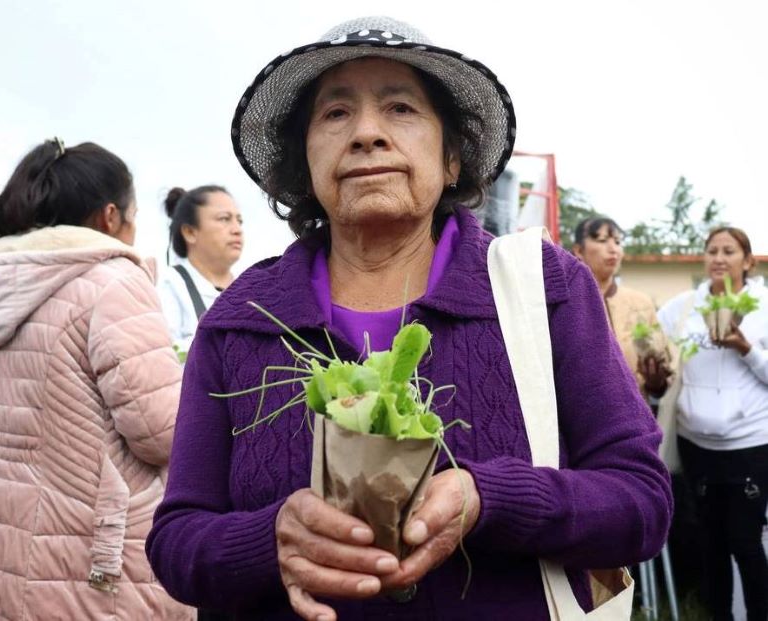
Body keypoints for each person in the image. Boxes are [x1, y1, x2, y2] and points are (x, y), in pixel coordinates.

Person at [146, 17, 672, 621]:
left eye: (400, 108)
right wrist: (272, 540)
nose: (367, 133)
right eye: (336, 114)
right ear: (306, 165)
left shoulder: (545, 290)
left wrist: (488, 498)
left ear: (451, 159)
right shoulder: (243, 319)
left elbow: (642, 503)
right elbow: (177, 541)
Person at [0, 139, 193, 620]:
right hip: (85, 564)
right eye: (135, 216)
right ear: (110, 216)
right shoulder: (113, 283)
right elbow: (161, 432)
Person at [657, 226, 768, 621]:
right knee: (711, 543)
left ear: (748, 261)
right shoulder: (683, 308)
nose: (719, 258)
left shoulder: (763, 306)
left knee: (745, 543)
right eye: (712, 250)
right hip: (695, 443)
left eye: (729, 251)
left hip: (749, 445)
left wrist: (745, 348)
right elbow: (660, 358)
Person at [572, 217, 670, 397]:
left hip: (635, 414)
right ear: (578, 250)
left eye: (618, 242)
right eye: (602, 241)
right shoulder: (565, 302)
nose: (613, 249)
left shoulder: (641, 303)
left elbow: (660, 385)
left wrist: (655, 379)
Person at [158, 185, 243, 352]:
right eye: (224, 219)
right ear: (189, 232)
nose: (237, 230)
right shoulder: (168, 285)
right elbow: (164, 354)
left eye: (239, 221)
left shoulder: (251, 288)